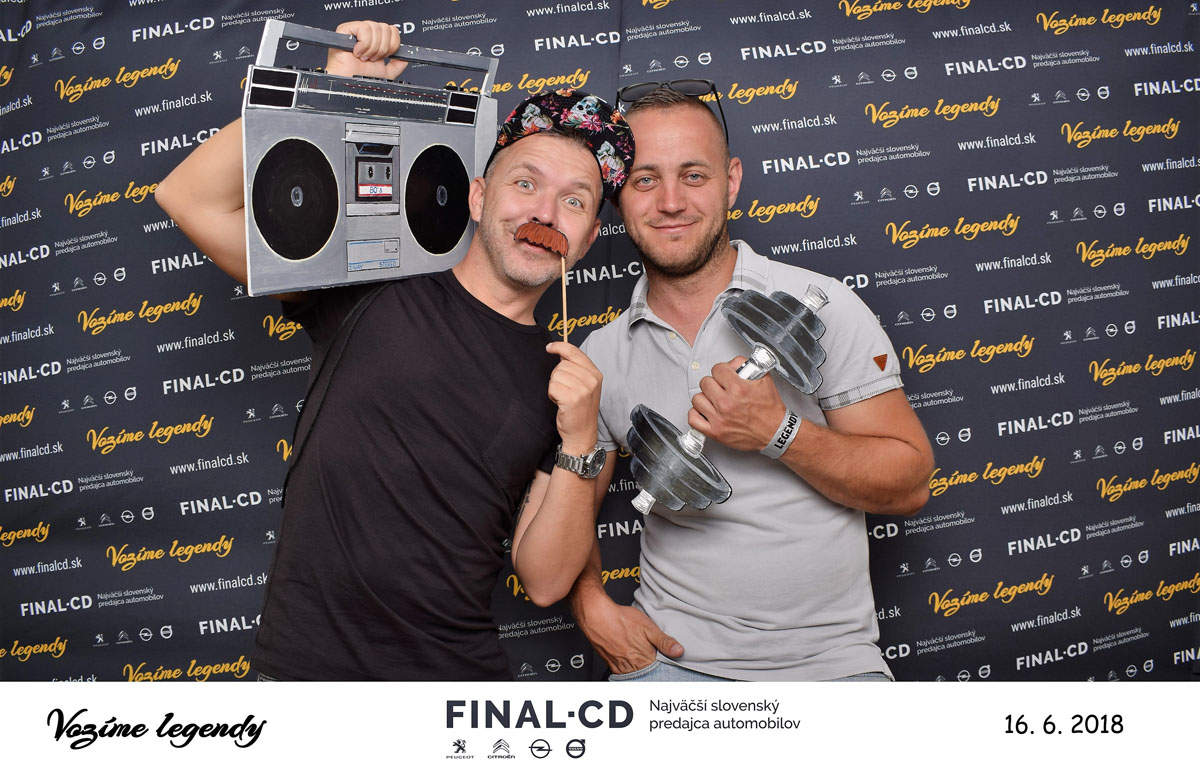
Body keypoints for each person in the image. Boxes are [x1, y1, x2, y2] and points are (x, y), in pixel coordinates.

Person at [155, 21, 635, 680]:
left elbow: (547, 581)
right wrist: (330, 90)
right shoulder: (367, 282)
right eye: (526, 183)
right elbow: (186, 198)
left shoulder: (567, 384)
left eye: (574, 201)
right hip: (303, 676)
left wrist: (581, 443)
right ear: (477, 195)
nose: (545, 213)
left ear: (586, 239)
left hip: (454, 687)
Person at [569, 84, 935, 681]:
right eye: (644, 179)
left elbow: (910, 484)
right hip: (666, 663)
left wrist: (779, 431)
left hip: (830, 667)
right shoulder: (604, 353)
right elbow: (570, 502)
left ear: (731, 181)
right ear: (617, 196)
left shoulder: (822, 308)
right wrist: (591, 605)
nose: (670, 202)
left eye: (693, 175)